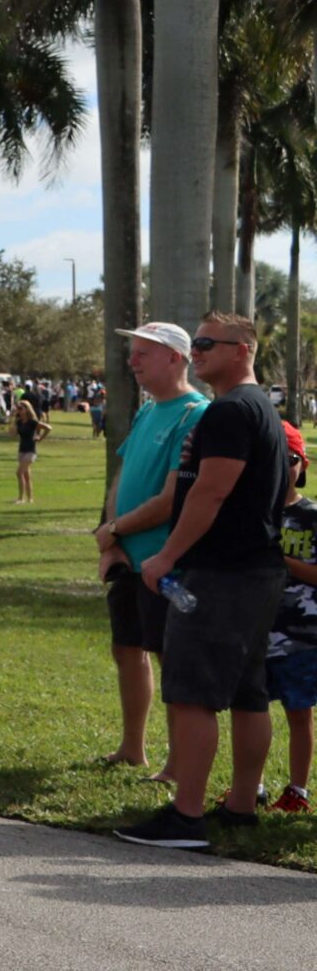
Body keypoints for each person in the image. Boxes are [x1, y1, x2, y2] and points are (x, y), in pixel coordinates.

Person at [117, 313, 295, 848]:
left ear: (242, 349)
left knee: (193, 694)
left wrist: (167, 556)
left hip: (222, 573)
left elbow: (209, 493)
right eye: (193, 343)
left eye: (205, 344)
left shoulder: (230, 411)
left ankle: (187, 815)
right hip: (254, 570)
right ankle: (241, 805)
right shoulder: (260, 408)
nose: (196, 352)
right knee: (247, 694)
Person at [90, 322, 209, 773]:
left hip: (166, 562)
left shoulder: (194, 414)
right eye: (133, 352)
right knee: (127, 649)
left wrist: (114, 529)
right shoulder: (147, 411)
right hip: (127, 557)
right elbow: (122, 476)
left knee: (169, 657)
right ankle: (132, 748)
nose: (132, 361)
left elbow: (171, 499)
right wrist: (111, 539)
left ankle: (178, 765)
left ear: (175, 358)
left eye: (143, 353)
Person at [267, 424, 316, 814]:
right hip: (253, 632)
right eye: (273, 459)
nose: (282, 467)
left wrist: (280, 560)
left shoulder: (311, 516)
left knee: (299, 713)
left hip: (300, 636)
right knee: (249, 711)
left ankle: (297, 791)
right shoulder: (249, 512)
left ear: (304, 464)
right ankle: (250, 788)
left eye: (291, 460)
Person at [12, 394, 53, 504]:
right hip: (21, 450)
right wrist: (13, 420)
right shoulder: (19, 422)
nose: (19, 411)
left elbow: (48, 428)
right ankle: (30, 498)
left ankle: (21, 498)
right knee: (26, 475)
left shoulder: (32, 422)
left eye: (21, 408)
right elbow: (12, 434)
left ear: (27, 409)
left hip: (30, 451)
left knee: (19, 472)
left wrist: (40, 438)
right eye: (18, 408)